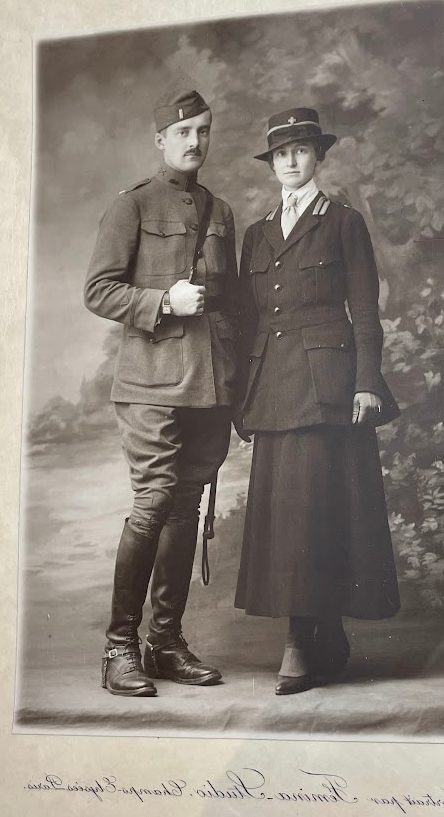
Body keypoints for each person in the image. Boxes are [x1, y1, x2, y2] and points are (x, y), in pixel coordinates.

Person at [234, 107, 401, 695]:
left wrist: (365, 382)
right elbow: (245, 318)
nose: (290, 161)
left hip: (329, 388)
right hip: (273, 387)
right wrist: (239, 395)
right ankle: (320, 632)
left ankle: (300, 642)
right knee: (289, 517)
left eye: (301, 150)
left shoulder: (343, 222)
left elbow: (365, 309)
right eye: (281, 153)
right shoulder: (257, 233)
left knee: (318, 510)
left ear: (318, 157)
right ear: (271, 162)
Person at [84, 88, 238, 697]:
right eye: (183, 133)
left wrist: (239, 388)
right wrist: (162, 301)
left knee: (185, 508)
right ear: (160, 140)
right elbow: (99, 291)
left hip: (208, 384)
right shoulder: (133, 205)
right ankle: (119, 646)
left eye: (203, 131)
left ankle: (164, 643)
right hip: (149, 383)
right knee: (153, 503)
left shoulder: (220, 210)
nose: (194, 142)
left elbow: (233, 306)